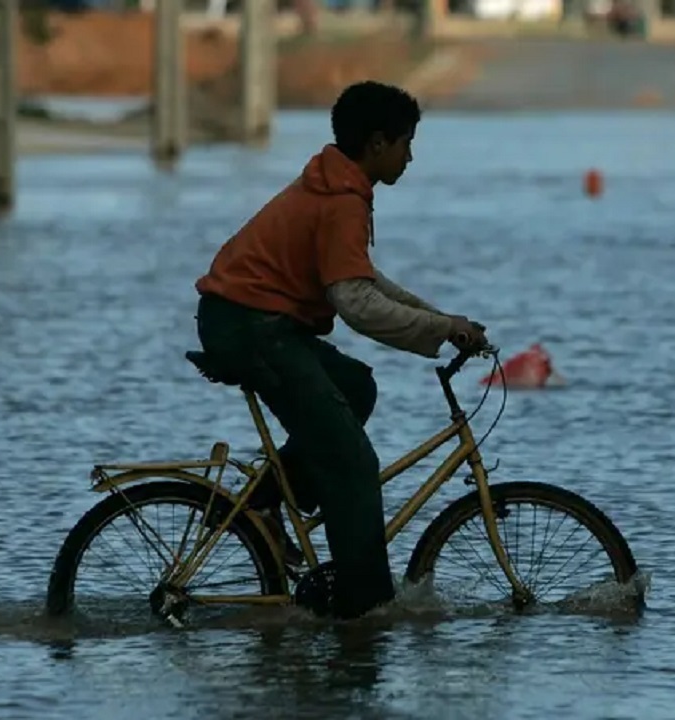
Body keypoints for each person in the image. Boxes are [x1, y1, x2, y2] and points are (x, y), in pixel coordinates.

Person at [193, 81, 488, 620]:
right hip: (249, 328)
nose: (410, 157)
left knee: (356, 387)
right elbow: (356, 304)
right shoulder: (341, 200)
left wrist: (446, 323)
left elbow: (363, 280)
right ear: (377, 144)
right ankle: (364, 610)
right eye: (406, 143)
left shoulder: (338, 186)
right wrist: (441, 328)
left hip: (256, 323)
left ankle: (261, 507)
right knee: (353, 465)